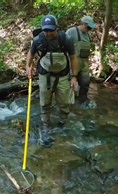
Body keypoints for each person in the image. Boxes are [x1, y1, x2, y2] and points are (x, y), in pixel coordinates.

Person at [25, 15, 79, 146]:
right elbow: (31, 54)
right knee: (45, 102)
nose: (48, 33)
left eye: (51, 30)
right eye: (46, 30)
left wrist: (74, 77)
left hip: (62, 75)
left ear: (57, 28)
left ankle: (62, 123)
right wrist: (28, 67)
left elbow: (73, 58)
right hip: (45, 75)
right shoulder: (38, 40)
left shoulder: (66, 39)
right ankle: (45, 126)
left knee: (64, 101)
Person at [66, 16, 96, 101]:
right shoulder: (71, 32)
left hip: (84, 64)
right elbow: (64, 47)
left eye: (90, 28)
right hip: (72, 63)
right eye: (88, 27)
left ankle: (82, 102)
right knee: (70, 84)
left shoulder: (88, 36)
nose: (89, 29)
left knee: (85, 83)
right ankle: (69, 104)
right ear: (83, 24)